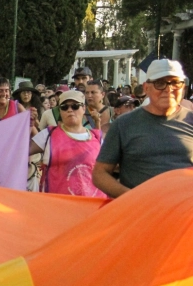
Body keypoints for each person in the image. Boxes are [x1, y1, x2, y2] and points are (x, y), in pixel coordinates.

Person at [93, 59, 193, 198]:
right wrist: (131, 197)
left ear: (183, 88)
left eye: (175, 83)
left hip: (183, 214)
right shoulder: (124, 124)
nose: (168, 89)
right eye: (160, 83)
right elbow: (100, 174)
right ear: (146, 88)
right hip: (141, 214)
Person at [29, 91, 106, 197]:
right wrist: (27, 125)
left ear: (83, 108)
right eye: (64, 107)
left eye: (75, 106)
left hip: (93, 207)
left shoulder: (97, 137)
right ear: (60, 111)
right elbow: (20, 151)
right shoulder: (48, 135)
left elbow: (108, 170)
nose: (70, 110)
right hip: (57, 207)